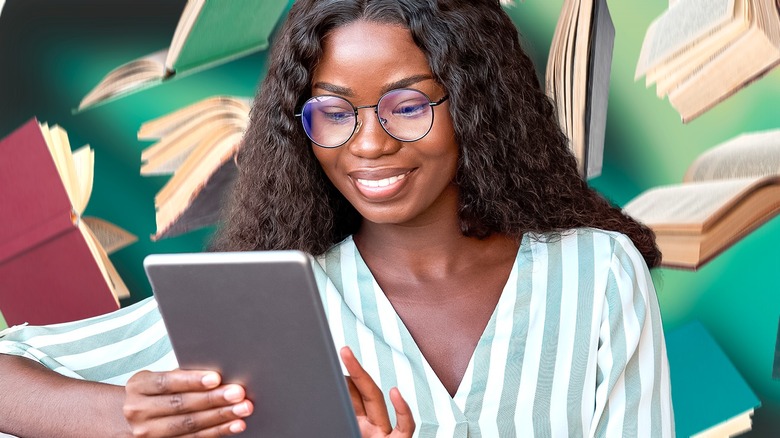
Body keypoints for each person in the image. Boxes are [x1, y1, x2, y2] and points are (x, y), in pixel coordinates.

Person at [0, 0, 674, 436]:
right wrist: (127, 417)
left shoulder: (595, 274)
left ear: (474, 104)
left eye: (407, 105)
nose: (370, 142)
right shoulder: (272, 302)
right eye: (333, 111)